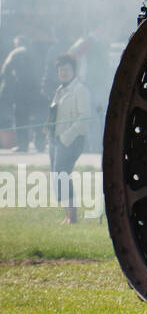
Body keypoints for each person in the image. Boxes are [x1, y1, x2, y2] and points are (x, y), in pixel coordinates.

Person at [49, 54, 92, 224]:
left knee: (63, 174)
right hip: (56, 140)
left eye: (66, 70)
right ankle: (67, 215)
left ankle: (72, 217)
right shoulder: (60, 90)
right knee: (58, 175)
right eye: (61, 70)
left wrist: (65, 138)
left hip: (71, 140)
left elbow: (84, 118)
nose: (63, 73)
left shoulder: (80, 90)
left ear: (74, 71)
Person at [0, 37, 43, 153]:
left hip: (21, 91)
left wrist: (11, 83)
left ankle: (23, 145)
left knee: (20, 118)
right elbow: (42, 71)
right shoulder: (36, 54)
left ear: (17, 43)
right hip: (36, 90)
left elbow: (5, 70)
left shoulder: (15, 53)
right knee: (37, 118)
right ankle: (40, 144)